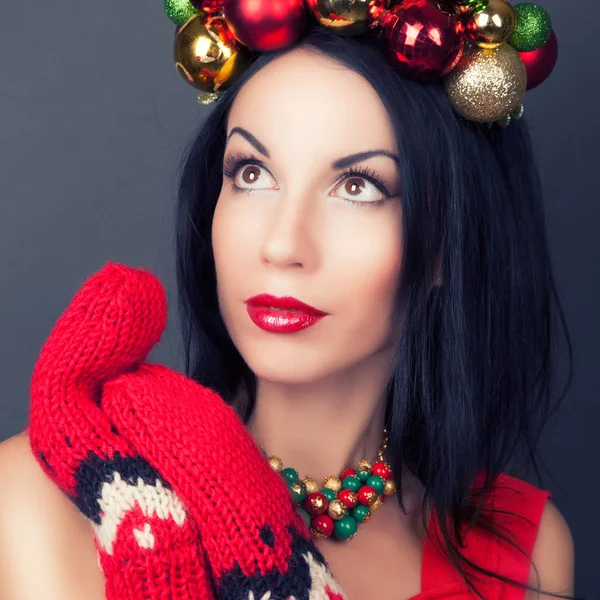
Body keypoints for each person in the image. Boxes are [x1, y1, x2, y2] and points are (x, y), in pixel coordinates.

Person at [0, 18, 575, 600]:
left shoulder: (521, 558)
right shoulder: (47, 500)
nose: (281, 245)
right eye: (251, 174)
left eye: (358, 187)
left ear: (448, 245)